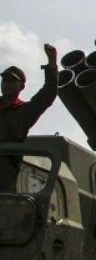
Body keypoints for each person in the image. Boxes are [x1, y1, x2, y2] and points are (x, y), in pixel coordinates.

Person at [0, 44, 58, 192]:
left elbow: (48, 94)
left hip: (6, 170)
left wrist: (52, 64)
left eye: (12, 81)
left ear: (22, 87)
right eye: (4, 80)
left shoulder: (25, 111)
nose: (6, 84)